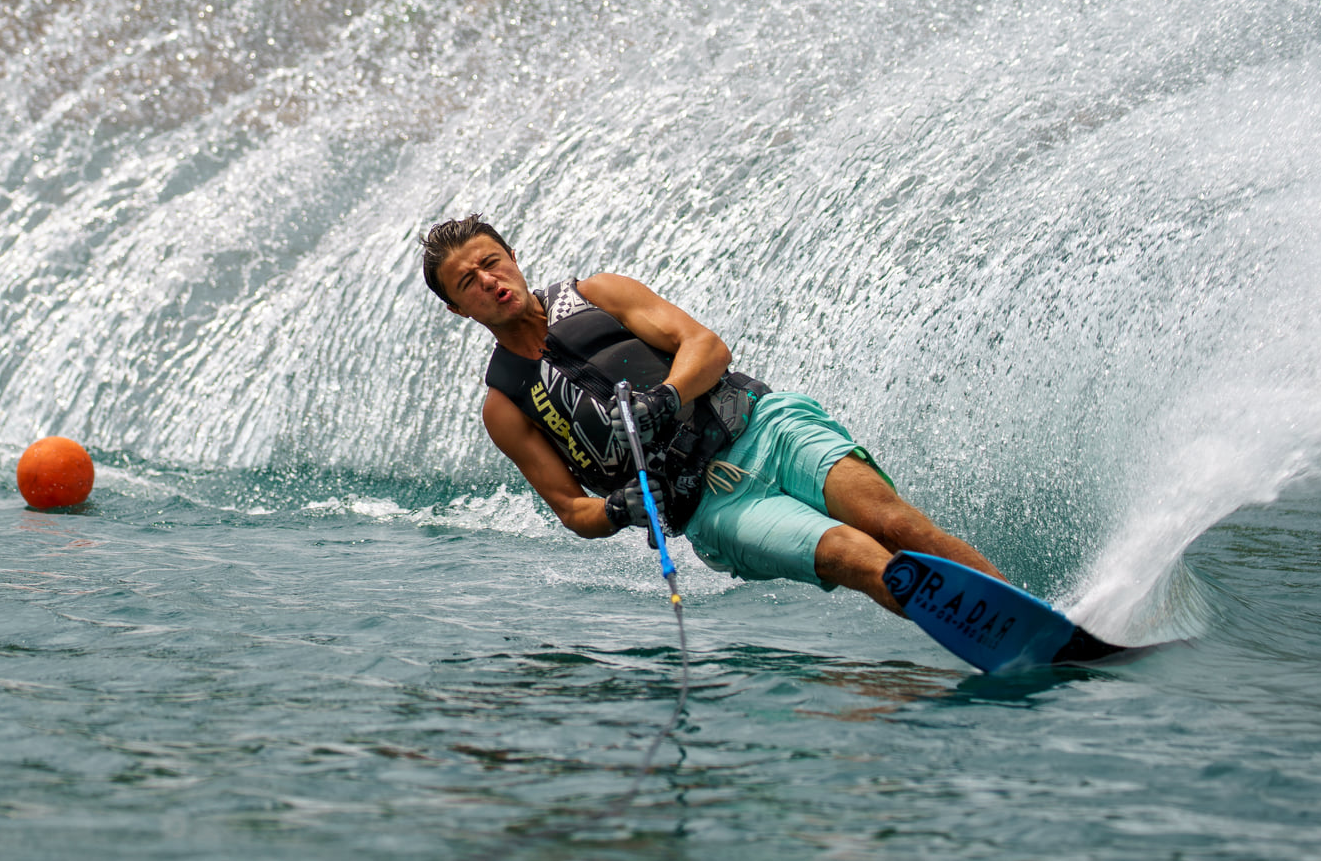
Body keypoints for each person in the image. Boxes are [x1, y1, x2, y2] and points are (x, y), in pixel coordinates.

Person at [420, 214, 1004, 615]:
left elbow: (706, 346)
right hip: (712, 504)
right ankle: (987, 632)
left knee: (897, 525)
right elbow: (572, 508)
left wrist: (668, 396)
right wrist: (619, 509)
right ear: (455, 309)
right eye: (468, 283)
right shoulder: (505, 406)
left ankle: (1035, 615)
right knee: (857, 558)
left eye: (492, 263)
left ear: (514, 258)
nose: (489, 282)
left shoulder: (601, 292)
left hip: (762, 428)